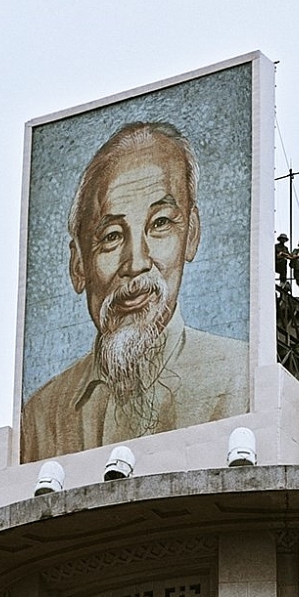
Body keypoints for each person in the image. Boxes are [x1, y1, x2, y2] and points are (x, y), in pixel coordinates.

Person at [21, 121, 249, 463]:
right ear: (78, 264)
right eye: (111, 235)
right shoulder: (40, 416)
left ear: (191, 235)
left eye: (160, 224)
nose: (137, 263)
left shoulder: (240, 378)